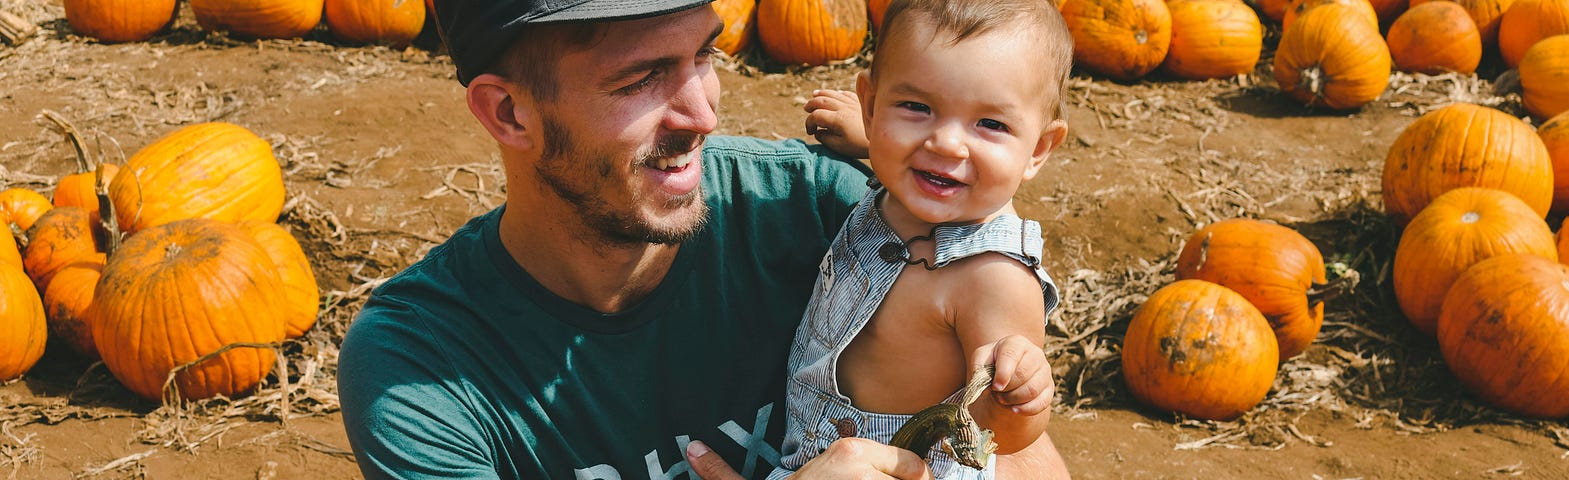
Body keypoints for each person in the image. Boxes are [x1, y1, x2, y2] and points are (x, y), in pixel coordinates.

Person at [336, 0, 1072, 478]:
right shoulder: (423, 372)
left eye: (703, 56)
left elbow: (1029, 460)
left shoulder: (828, 216)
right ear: (509, 113)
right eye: (642, 79)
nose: (704, 114)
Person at [764, 0, 1073, 478]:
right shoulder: (914, 184)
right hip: (820, 459)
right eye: (916, 107)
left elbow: (997, 440)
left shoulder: (993, 278)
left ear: (1037, 149)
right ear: (871, 106)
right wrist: (874, 141)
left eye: (990, 124)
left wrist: (1021, 400)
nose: (945, 144)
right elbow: (919, 162)